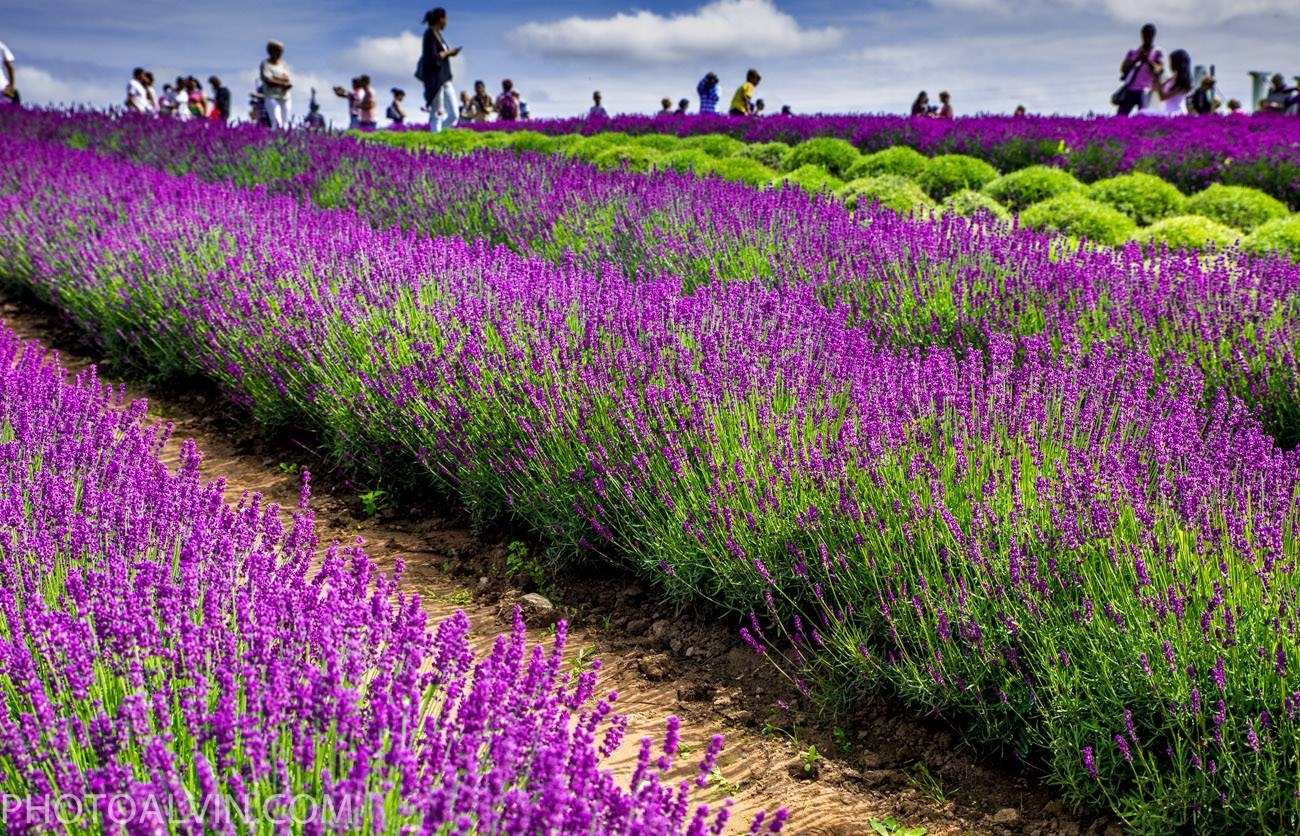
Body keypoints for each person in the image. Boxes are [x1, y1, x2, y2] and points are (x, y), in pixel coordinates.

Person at [420, 7, 460, 132]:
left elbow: (441, 55)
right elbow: (432, 58)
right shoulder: (429, 34)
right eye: (445, 18)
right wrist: (449, 52)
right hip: (436, 80)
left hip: (445, 78)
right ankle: (435, 139)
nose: (446, 22)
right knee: (437, 113)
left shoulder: (439, 36)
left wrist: (449, 53)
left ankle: (436, 133)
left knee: (454, 114)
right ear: (440, 19)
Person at [1115, 23, 1163, 116]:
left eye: (1149, 35)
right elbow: (1123, 69)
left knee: (1144, 117)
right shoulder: (1133, 52)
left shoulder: (1157, 53)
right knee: (1121, 116)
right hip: (1130, 89)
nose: (1147, 38)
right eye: (1145, 35)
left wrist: (1148, 61)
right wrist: (1137, 59)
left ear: (1153, 36)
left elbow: (1158, 70)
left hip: (1146, 91)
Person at [1141, 48, 1191, 116]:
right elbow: (1158, 88)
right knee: (1142, 112)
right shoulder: (1173, 77)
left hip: (1176, 113)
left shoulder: (1182, 81)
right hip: (1168, 111)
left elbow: (1163, 97)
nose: (1170, 65)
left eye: (1172, 62)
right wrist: (1156, 76)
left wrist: (1158, 78)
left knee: (1143, 113)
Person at [260, 40, 292, 128]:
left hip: (285, 97)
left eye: (281, 50)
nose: (280, 52)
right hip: (272, 97)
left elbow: (287, 78)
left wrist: (275, 78)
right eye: (278, 50)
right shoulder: (265, 64)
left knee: (286, 123)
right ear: (270, 51)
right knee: (277, 122)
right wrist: (282, 82)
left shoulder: (283, 64)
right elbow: (268, 80)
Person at [0, 39, 16, 105]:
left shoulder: (2, 47)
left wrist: (11, 87)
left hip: (3, 89)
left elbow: (10, 68)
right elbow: (10, 68)